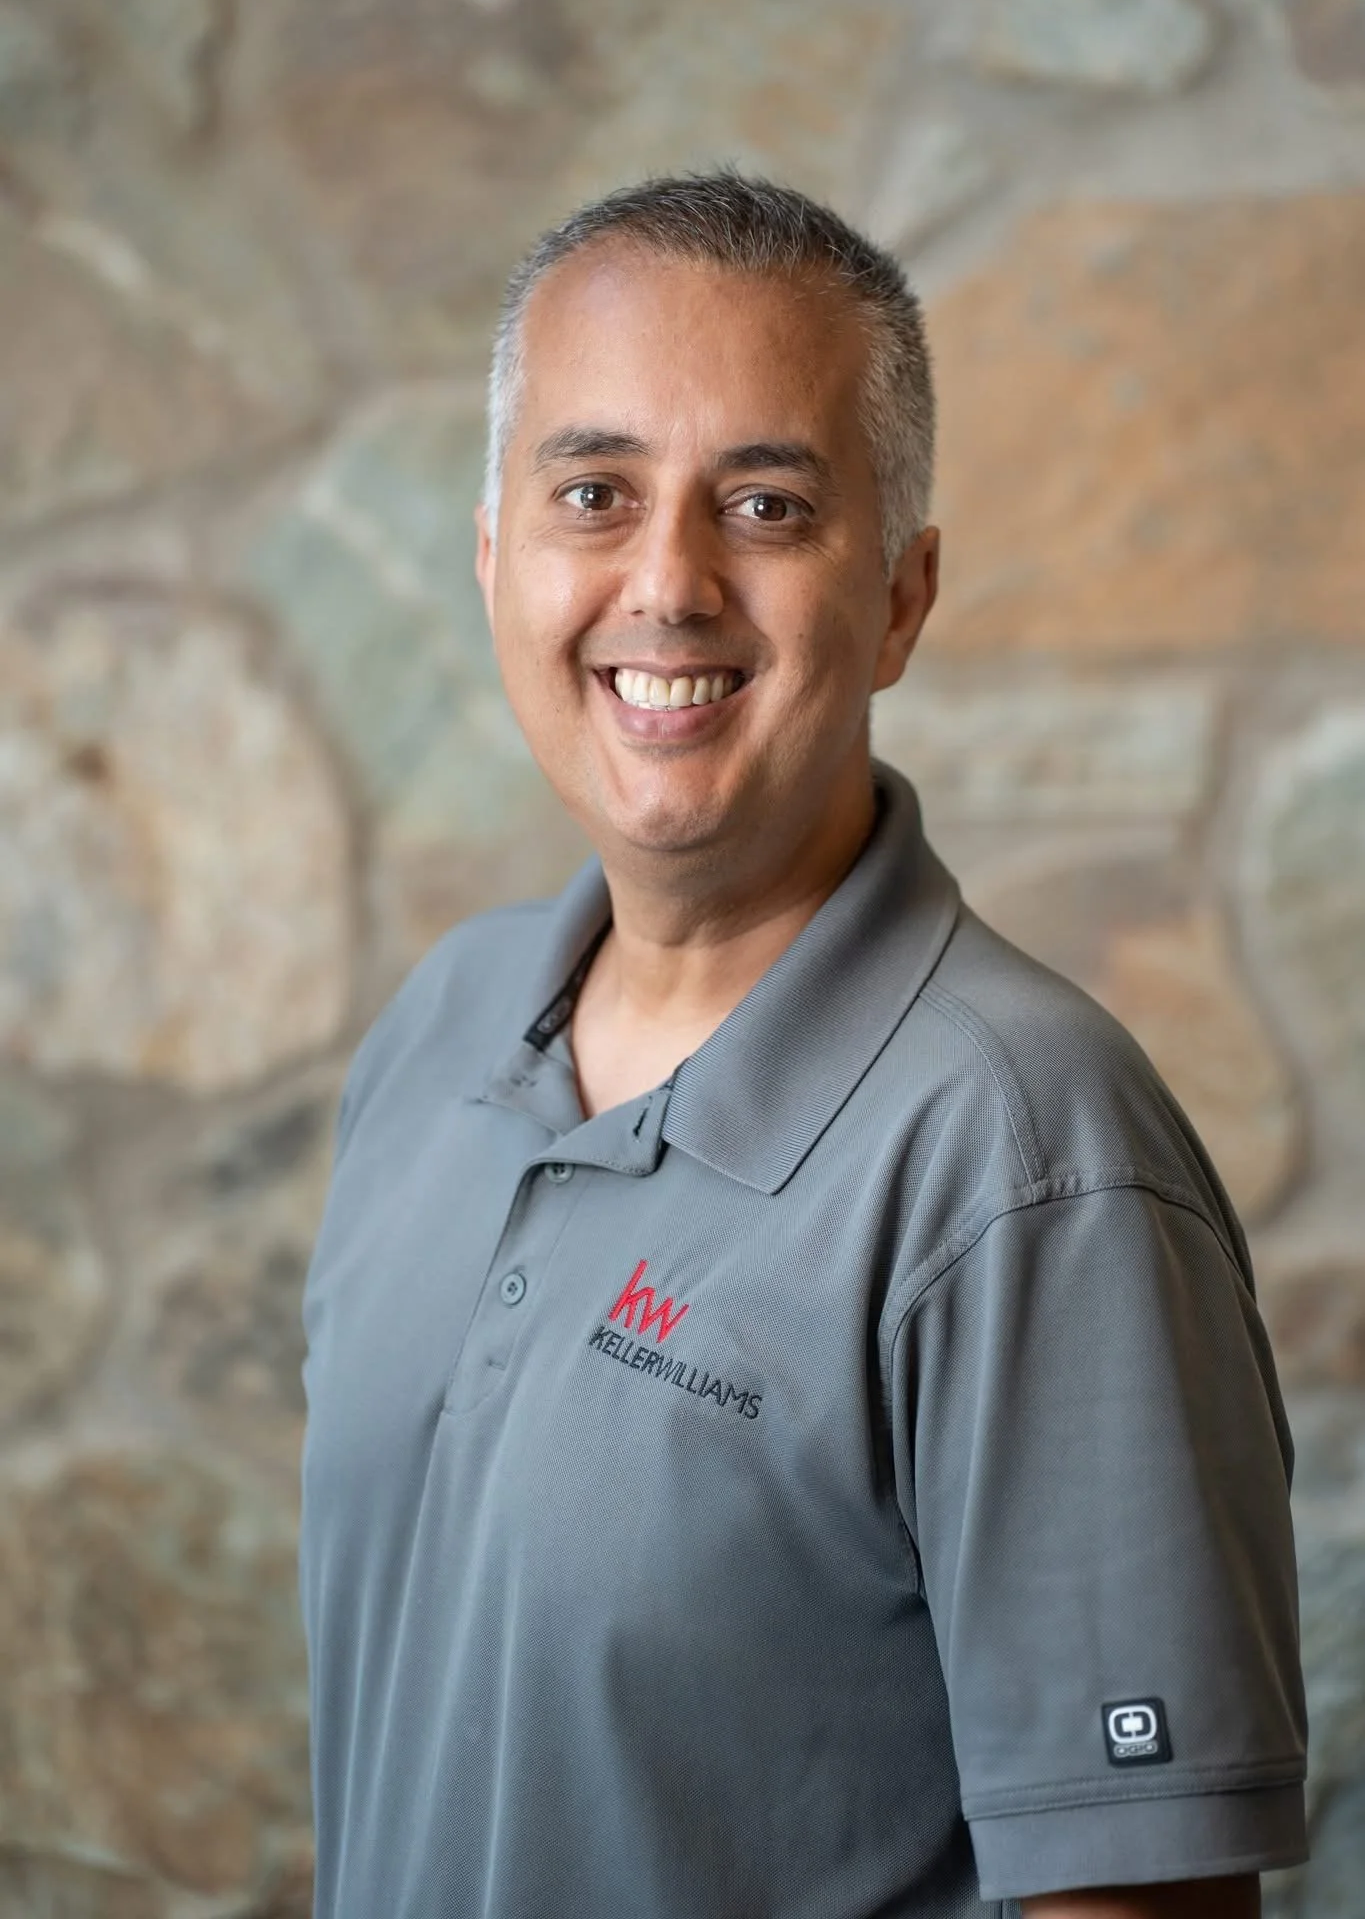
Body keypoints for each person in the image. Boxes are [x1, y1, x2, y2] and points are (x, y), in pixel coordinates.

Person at [299, 172, 1308, 1918]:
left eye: (765, 505)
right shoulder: (442, 1034)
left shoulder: (1028, 1163)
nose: (668, 586)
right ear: (492, 559)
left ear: (903, 598)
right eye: (594, 493)